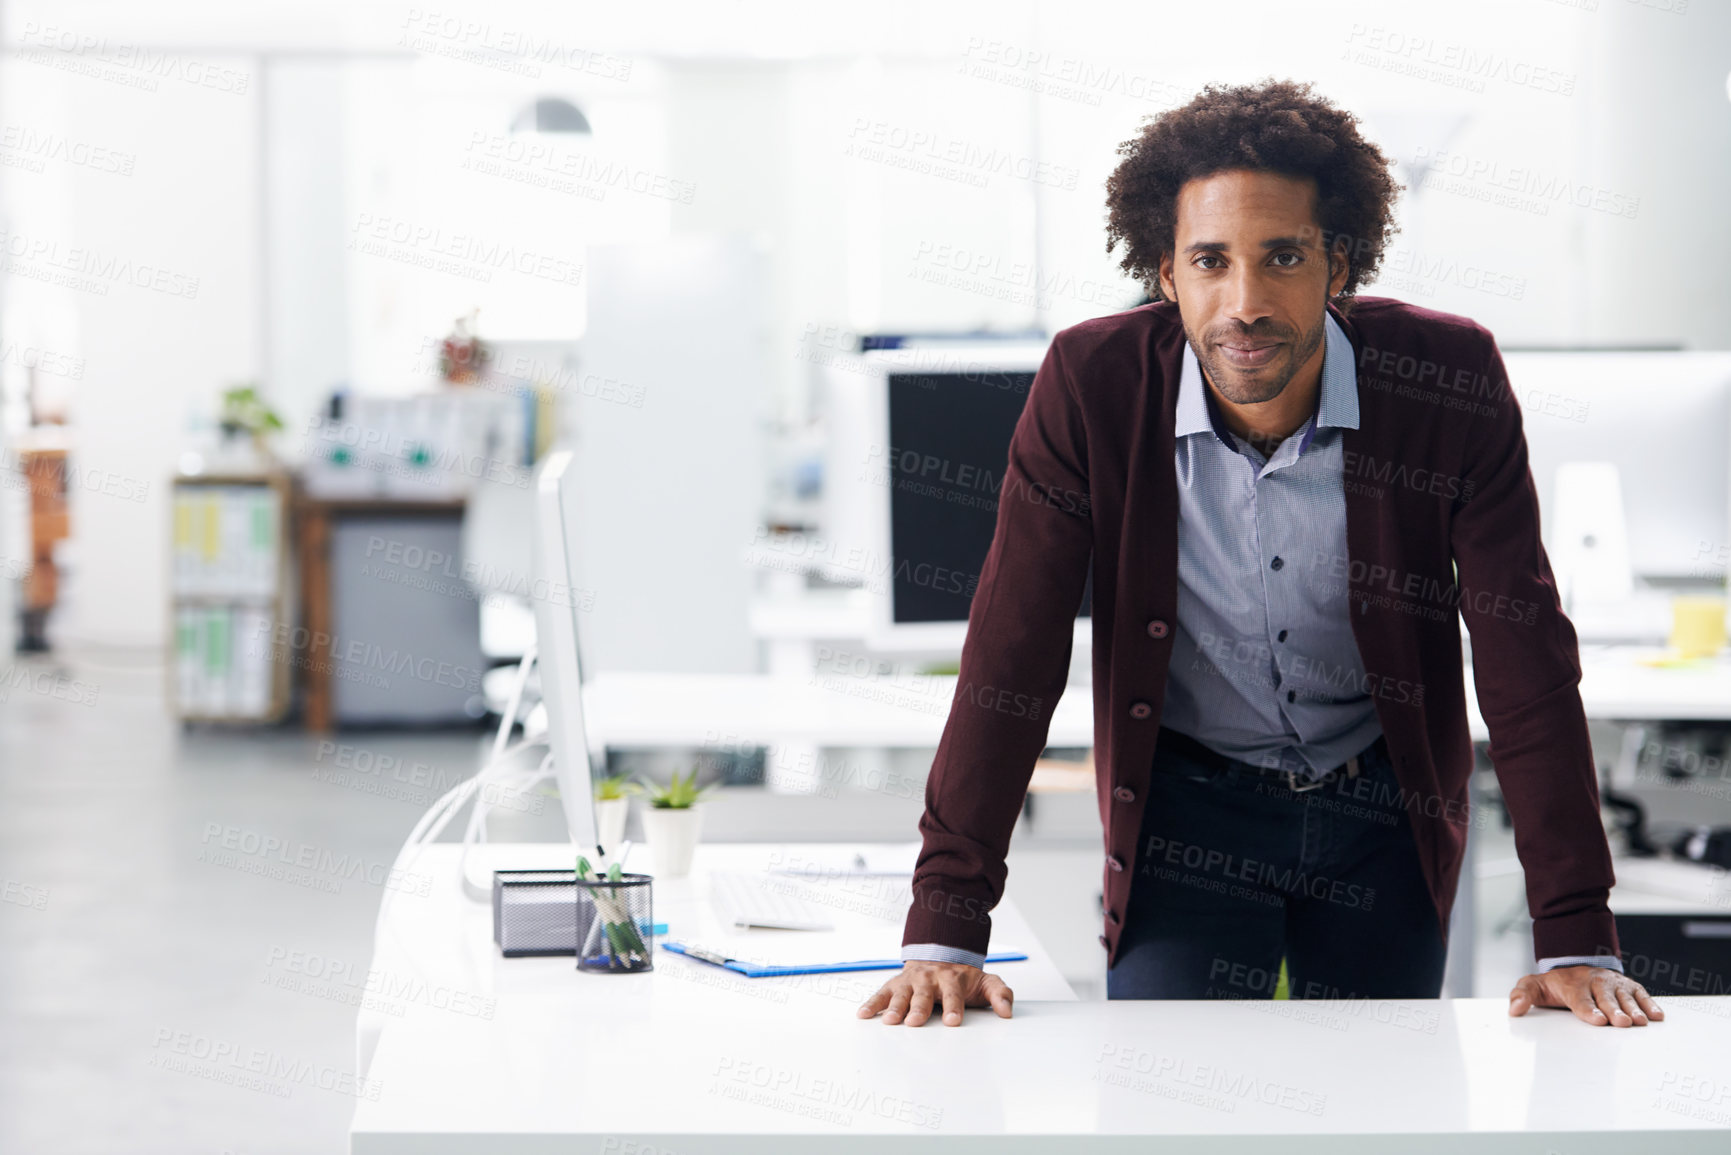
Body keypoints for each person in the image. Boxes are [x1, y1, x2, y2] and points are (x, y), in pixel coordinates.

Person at [858, 78, 1661, 1030]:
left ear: (1337, 265)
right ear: (1165, 273)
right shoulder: (1091, 384)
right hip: (1185, 819)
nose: (1245, 302)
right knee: (1170, 1095)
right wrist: (946, 925)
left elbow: (1524, 656)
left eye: (1281, 257)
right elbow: (1011, 653)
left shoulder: (1445, 379)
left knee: (1383, 1101)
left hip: (1382, 818)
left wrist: (1572, 929)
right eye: (1210, 260)